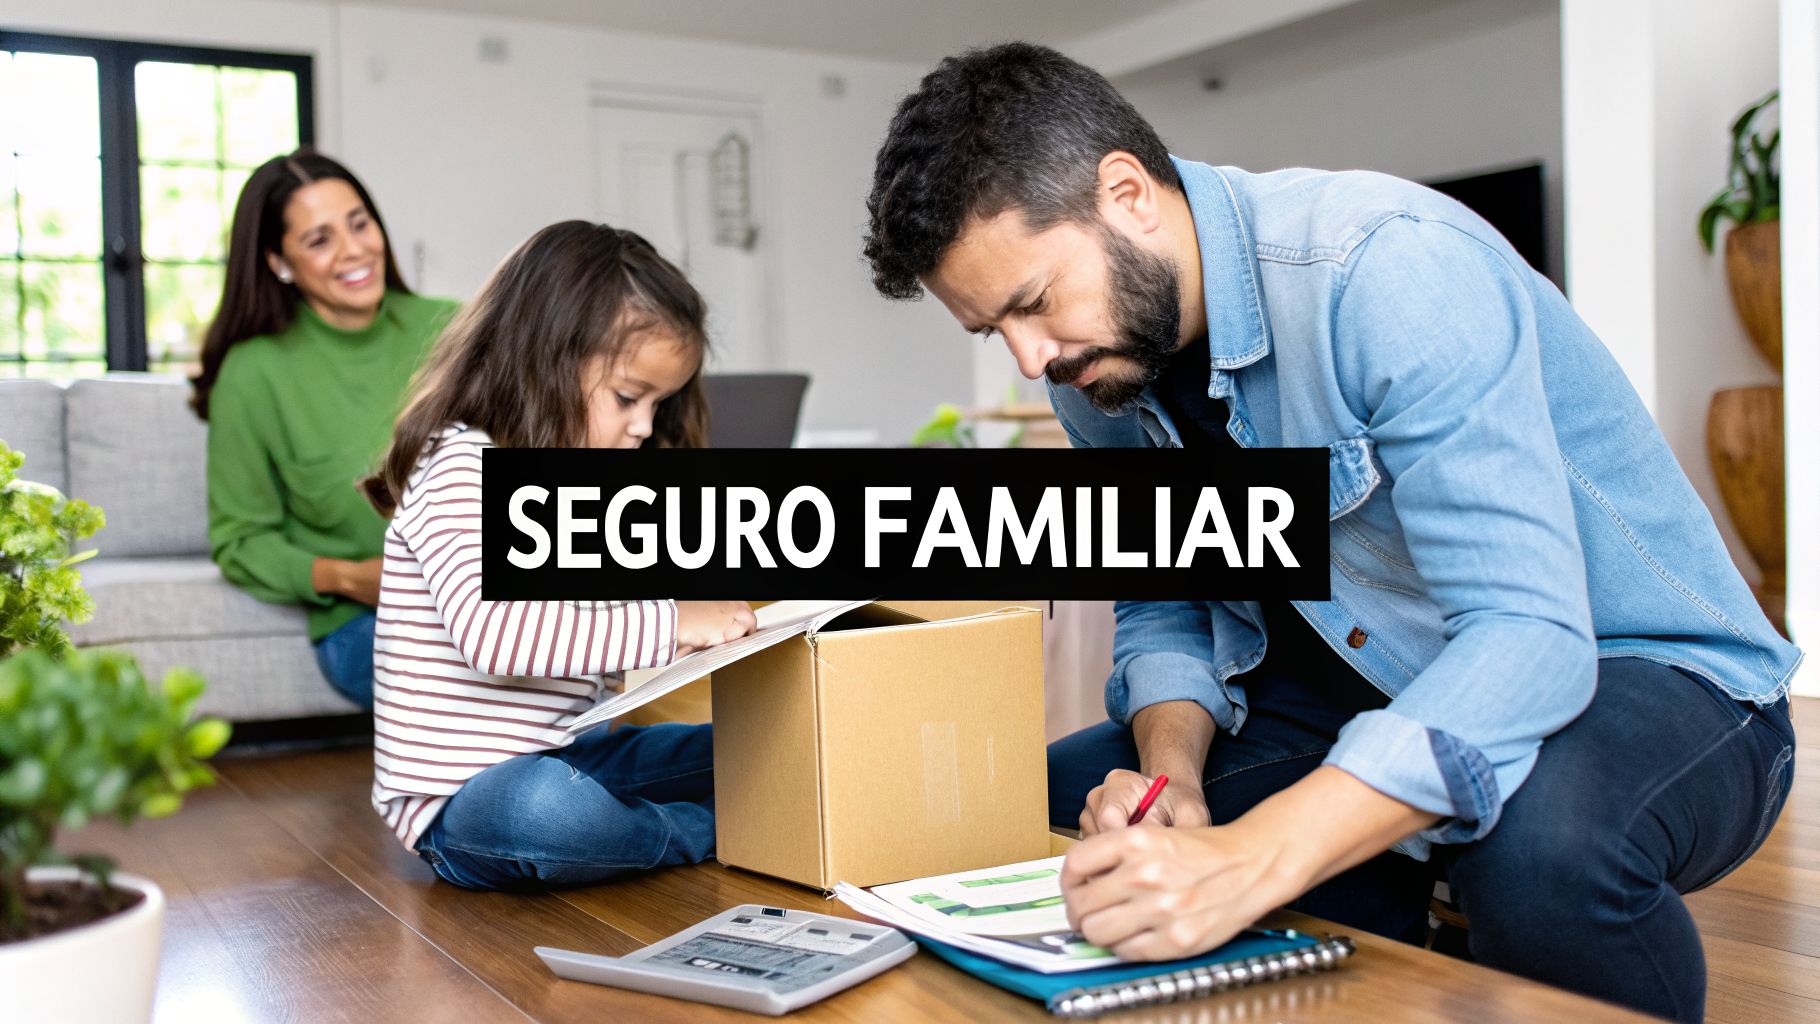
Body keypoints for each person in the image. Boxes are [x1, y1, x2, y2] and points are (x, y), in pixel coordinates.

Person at [862, 42, 1800, 1022]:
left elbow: (1527, 638)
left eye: (1031, 304)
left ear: (1127, 194)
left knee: (1538, 847)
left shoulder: (1384, 266)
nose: (1028, 358)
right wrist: (1165, 776)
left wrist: (1252, 854)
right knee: (1040, 808)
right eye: (991, 333)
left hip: (1643, 670)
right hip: (1349, 681)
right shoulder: (1098, 371)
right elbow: (1166, 595)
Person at [359, 221, 756, 891]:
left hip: (575, 755)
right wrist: (671, 624)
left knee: (750, 744)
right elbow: (498, 639)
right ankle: (696, 830)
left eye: (659, 404)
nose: (644, 426)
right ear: (545, 360)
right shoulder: (462, 468)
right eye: (629, 397)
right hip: (467, 801)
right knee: (544, 809)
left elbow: (606, 624)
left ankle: (647, 820)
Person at [192, 150, 458, 710]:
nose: (354, 249)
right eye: (319, 240)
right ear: (279, 262)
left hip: (487, 601)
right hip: (365, 624)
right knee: (495, 690)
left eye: (359, 224)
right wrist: (349, 578)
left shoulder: (455, 330)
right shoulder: (254, 372)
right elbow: (240, 541)